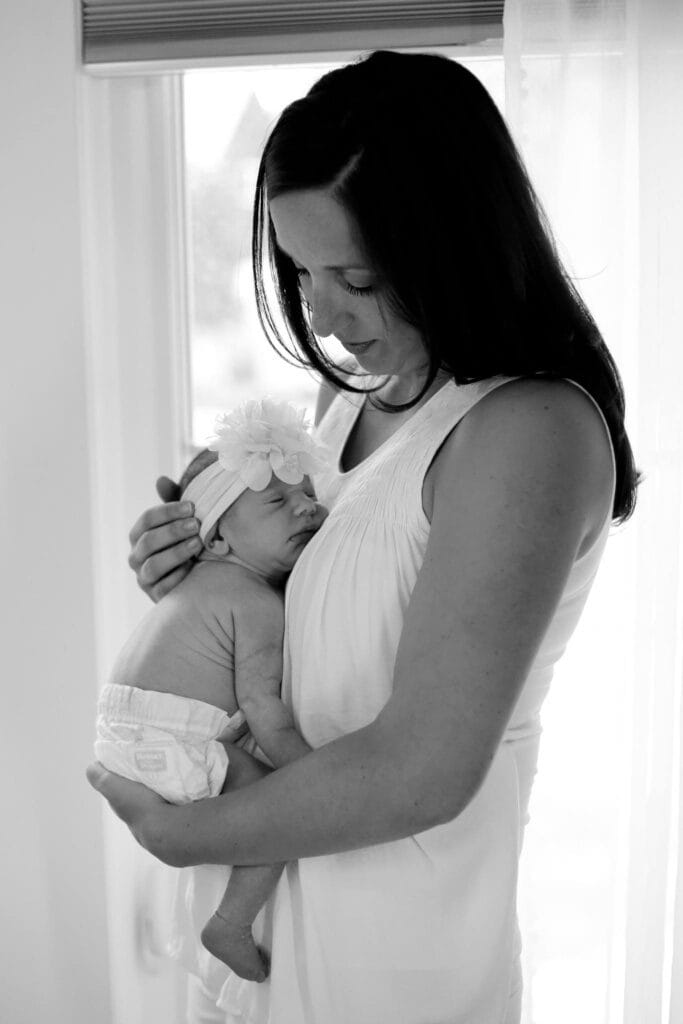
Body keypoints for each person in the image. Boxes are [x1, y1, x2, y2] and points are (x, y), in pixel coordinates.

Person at [88, 49, 641, 1024]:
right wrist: (208, 573)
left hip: (400, 956)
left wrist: (192, 834)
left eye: (354, 275)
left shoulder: (524, 430)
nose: (324, 315)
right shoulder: (351, 404)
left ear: (452, 243)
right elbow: (313, 635)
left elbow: (421, 765)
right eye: (301, 272)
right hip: (280, 934)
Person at [94, 397, 329, 985]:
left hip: (123, 732)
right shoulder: (253, 601)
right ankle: (229, 923)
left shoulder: (197, 586)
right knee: (276, 816)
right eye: (277, 502)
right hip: (169, 738)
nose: (307, 506)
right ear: (218, 540)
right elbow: (264, 711)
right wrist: (315, 776)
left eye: (305, 492)